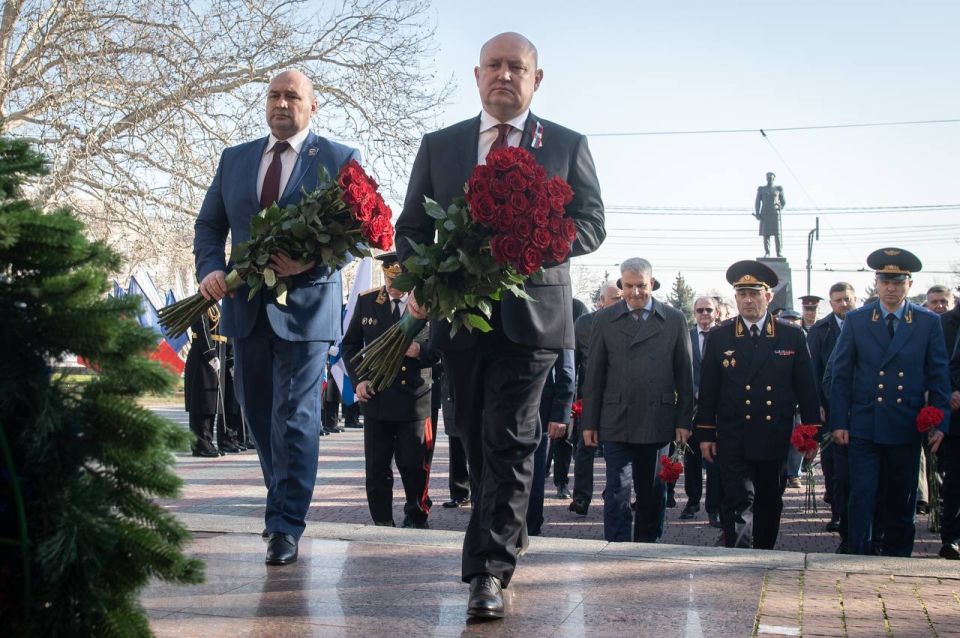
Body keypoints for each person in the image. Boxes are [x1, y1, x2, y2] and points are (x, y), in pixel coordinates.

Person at [394, 32, 605, 619]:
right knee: (477, 441)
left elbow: (591, 223)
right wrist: (428, 275)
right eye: (495, 65)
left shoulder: (565, 143)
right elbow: (409, 228)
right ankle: (506, 535)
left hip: (532, 315)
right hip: (462, 321)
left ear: (538, 79)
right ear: (477, 73)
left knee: (510, 438)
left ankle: (488, 571)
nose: (504, 75)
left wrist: (531, 245)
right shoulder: (441, 147)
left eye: (517, 67)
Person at [194, 70, 359, 565]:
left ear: (313, 106)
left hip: (307, 311)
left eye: (292, 96)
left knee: (296, 415)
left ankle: (285, 524)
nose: (281, 103)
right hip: (245, 310)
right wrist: (211, 269)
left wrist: (312, 261)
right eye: (274, 95)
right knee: (258, 409)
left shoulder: (338, 158)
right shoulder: (235, 159)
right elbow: (209, 225)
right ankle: (281, 499)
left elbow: (354, 234)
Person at [829, 248, 951, 557]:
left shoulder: (926, 322)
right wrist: (839, 422)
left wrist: (940, 422)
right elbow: (839, 375)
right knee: (863, 496)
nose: (891, 288)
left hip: (904, 424)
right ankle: (859, 556)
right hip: (865, 424)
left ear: (909, 284)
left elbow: (938, 376)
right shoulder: (857, 320)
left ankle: (899, 561)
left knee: (902, 498)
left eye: (898, 282)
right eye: (885, 281)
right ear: (876, 283)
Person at [697, 260, 821, 550]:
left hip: (772, 433)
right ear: (735, 298)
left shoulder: (790, 335)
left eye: (754, 293)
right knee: (738, 499)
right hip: (733, 433)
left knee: (768, 499)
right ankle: (739, 557)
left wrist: (811, 431)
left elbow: (806, 387)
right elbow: (709, 390)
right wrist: (705, 434)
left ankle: (764, 553)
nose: (748, 300)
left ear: (769, 296)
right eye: (742, 294)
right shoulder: (720, 336)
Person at [582, 258, 694, 542]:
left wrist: (683, 421)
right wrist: (589, 422)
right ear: (621, 285)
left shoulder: (673, 319)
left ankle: (648, 547)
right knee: (617, 488)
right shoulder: (604, 319)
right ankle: (616, 547)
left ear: (652, 283)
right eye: (628, 286)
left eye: (641, 286)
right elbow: (594, 374)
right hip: (616, 417)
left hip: (657, 418)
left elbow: (685, 376)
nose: (635, 293)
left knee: (652, 490)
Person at [342, 252, 438, 528]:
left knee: (413, 465)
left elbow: (444, 347)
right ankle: (382, 521)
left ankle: (416, 515)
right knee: (376, 469)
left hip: (414, 399)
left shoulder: (427, 302)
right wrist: (358, 380)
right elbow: (350, 345)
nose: (393, 287)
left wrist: (421, 351)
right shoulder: (368, 301)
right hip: (377, 397)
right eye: (389, 280)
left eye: (399, 281)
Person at [807, 282, 857, 538]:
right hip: (829, 408)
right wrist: (816, 405)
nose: (843, 304)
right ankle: (838, 512)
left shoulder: (863, 325)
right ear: (831, 302)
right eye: (838, 300)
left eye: (847, 299)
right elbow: (813, 371)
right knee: (833, 464)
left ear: (854, 298)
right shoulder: (820, 330)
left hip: (858, 408)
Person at [569, 283, 621, 516]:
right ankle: (581, 497)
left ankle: (614, 494)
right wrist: (571, 398)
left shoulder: (629, 322)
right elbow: (574, 362)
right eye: (615, 298)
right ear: (601, 300)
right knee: (585, 448)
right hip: (589, 397)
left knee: (617, 449)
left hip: (620, 397)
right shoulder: (584, 323)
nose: (621, 302)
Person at [681, 296, 722, 527]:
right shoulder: (685, 336)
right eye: (700, 310)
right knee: (692, 456)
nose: (704, 314)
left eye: (708, 310)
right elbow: (680, 368)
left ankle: (713, 506)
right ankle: (692, 500)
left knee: (714, 457)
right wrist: (694, 391)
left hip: (717, 409)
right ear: (694, 313)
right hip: (692, 407)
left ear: (716, 312)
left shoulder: (723, 336)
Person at [527, 349, 575, 536]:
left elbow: (566, 369)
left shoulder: (558, 318)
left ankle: (531, 527)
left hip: (539, 406)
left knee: (534, 473)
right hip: (499, 401)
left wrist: (561, 414)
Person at [183, 309, 221, 458]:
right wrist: (210, 352)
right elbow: (202, 329)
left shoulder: (214, 305)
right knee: (201, 403)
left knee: (210, 403)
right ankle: (200, 445)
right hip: (201, 357)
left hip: (210, 358)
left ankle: (207, 441)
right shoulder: (200, 303)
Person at [939, 297, 960, 559]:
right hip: (956, 417)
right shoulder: (943, 324)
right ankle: (953, 537)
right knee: (955, 481)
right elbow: (947, 365)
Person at [754, 172, 786, 258]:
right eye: (768, 177)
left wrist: (780, 207)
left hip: (775, 213)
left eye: (771, 178)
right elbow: (757, 202)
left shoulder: (778, 189)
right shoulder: (762, 189)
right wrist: (757, 213)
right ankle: (767, 252)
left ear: (774, 178)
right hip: (765, 213)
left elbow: (783, 202)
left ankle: (779, 252)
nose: (769, 179)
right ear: (766, 178)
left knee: (777, 234)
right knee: (766, 234)